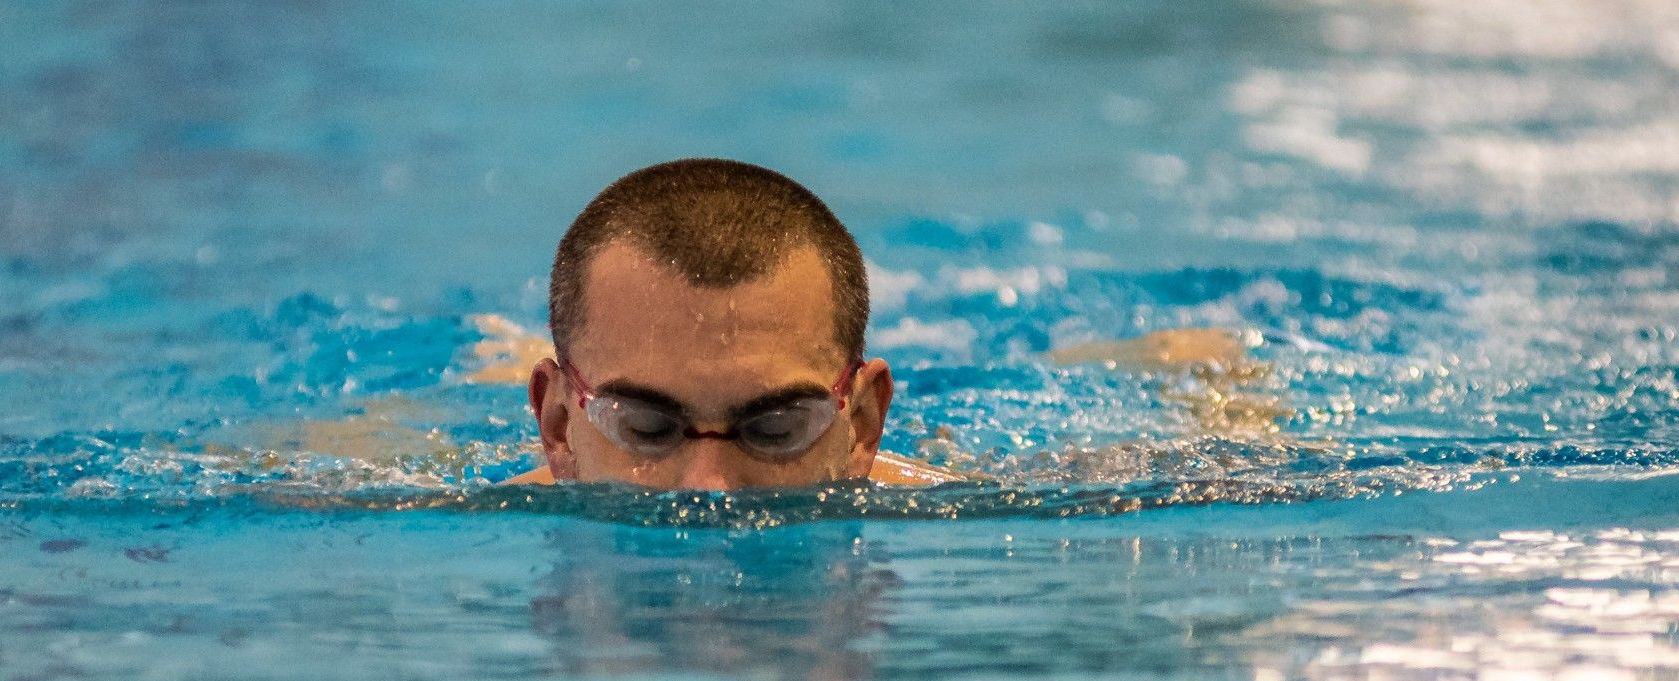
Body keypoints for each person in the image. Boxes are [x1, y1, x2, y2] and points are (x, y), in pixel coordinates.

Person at [493, 158, 1265, 490]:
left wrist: (1229, 398)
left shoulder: (967, 504)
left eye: (775, 427)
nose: (711, 494)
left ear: (862, 423)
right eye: (648, 426)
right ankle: (492, 356)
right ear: (557, 425)